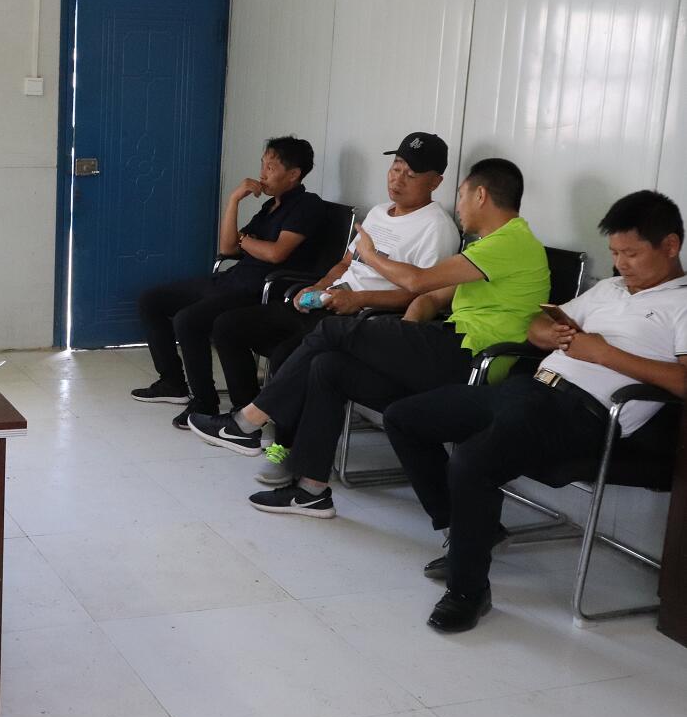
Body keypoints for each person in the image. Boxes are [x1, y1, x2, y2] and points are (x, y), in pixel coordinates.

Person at [383, 191, 687, 632]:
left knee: (473, 460)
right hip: (530, 389)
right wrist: (550, 333)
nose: (621, 264)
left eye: (632, 254)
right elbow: (538, 324)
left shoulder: (682, 303)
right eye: (615, 253)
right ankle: (467, 532)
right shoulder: (609, 289)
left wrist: (604, 355)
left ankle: (468, 591)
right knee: (404, 418)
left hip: (583, 414)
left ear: (670, 246)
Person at [189, 157, 550, 517]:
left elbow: (417, 282)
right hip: (443, 345)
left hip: (470, 357)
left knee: (329, 332)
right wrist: (401, 337)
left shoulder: (510, 243)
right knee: (328, 367)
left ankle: (247, 422)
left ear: (481, 195)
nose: (458, 206)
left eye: (462, 195)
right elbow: (431, 297)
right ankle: (312, 490)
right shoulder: (488, 246)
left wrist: (371, 257)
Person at [206, 133, 461, 457]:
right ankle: (247, 420)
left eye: (410, 174)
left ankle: (282, 446)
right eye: (396, 168)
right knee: (229, 326)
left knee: (287, 354)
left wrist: (358, 300)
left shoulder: (436, 228)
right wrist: (320, 286)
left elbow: (421, 295)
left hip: (363, 318)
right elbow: (345, 263)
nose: (398, 179)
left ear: (435, 182)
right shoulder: (379, 212)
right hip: (329, 301)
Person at [132, 136, 326, 429]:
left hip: (259, 289)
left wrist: (245, 241)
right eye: (262, 165)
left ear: (293, 174)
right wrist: (234, 200)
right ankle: (172, 382)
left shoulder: (307, 206)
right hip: (233, 279)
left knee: (188, 320)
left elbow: (276, 253)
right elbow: (227, 247)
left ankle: (204, 402)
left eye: (271, 167)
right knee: (151, 300)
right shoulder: (269, 207)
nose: (262, 174)